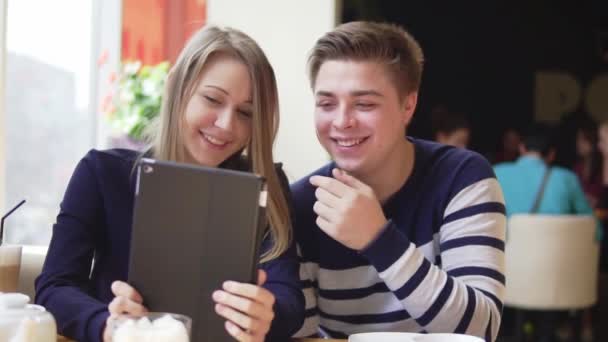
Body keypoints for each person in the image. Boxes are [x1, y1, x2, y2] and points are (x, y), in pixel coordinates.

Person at [35, 25, 304, 342]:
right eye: (212, 99)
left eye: (246, 113)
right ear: (177, 88)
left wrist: (266, 316)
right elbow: (54, 287)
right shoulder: (101, 173)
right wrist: (108, 325)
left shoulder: (264, 185)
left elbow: (287, 298)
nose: (227, 124)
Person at [291, 21, 506, 341]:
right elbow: (304, 336)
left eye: (364, 104)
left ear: (408, 105)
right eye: (326, 104)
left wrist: (378, 239)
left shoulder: (461, 178)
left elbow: (480, 328)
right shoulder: (302, 204)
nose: (341, 121)